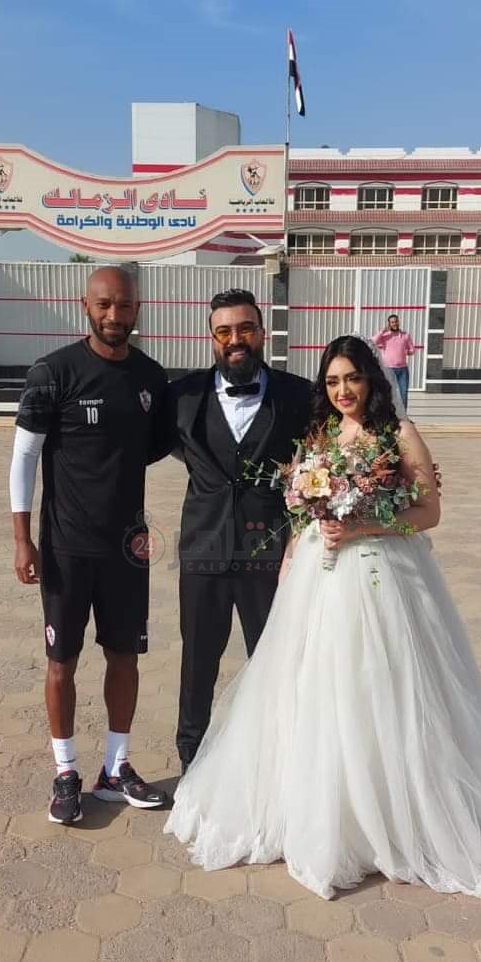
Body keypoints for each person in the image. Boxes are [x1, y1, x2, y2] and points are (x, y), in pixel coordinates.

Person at [165, 334, 481, 901]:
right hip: (320, 571)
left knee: (382, 682)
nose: (343, 390)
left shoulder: (398, 434)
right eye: (332, 381)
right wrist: (294, 550)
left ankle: (396, 808)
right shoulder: (321, 436)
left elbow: (429, 511)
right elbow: (304, 509)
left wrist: (363, 526)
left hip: (383, 573)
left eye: (352, 378)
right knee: (318, 682)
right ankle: (320, 803)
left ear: (371, 380)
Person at [9, 266, 171, 825]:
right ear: (85, 305)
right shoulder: (53, 372)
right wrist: (22, 539)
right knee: (63, 662)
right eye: (104, 304)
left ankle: (115, 769)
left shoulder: (150, 377)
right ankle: (66, 772)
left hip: (128, 547)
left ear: (137, 310)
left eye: (123, 306)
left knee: (125, 657)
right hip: (65, 548)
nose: (114, 315)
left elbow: (163, 447)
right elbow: (24, 457)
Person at [168, 288, 314, 775]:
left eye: (246, 329)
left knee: (275, 661)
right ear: (211, 338)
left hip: (271, 555)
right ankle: (191, 760)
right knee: (197, 664)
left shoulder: (299, 395)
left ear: (262, 333)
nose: (236, 340)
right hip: (203, 551)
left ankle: (279, 760)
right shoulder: (182, 396)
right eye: (225, 331)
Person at [372, 314, 415, 410]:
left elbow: (412, 349)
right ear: (389, 324)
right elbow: (373, 341)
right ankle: (388, 414)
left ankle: (403, 415)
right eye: (392, 322)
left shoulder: (405, 335)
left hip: (402, 370)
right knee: (387, 393)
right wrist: (382, 331)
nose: (395, 324)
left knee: (403, 393)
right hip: (388, 369)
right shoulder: (385, 336)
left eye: (396, 321)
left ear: (398, 322)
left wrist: (410, 352)